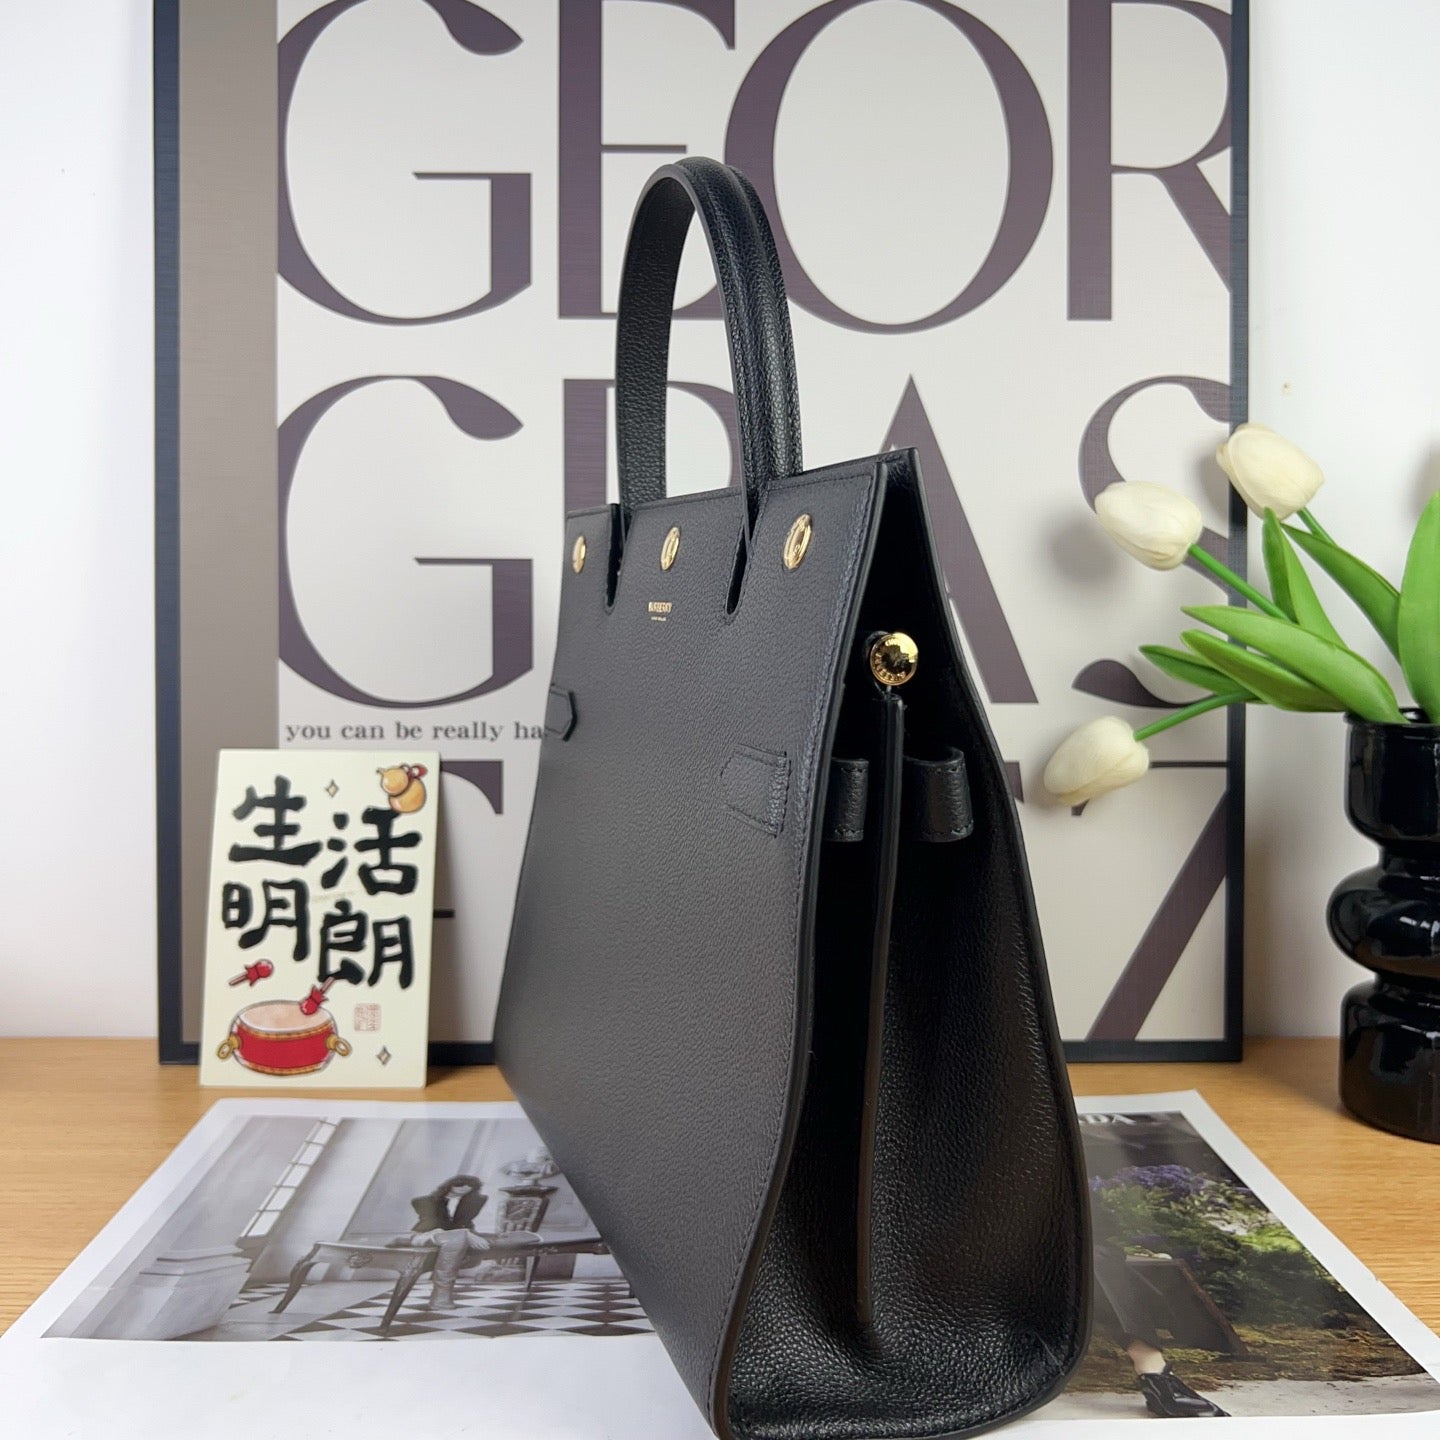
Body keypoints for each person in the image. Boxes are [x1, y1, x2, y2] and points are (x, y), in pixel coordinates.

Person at [405, 1174, 493, 1309]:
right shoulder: (425, 1201)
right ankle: (440, 1297)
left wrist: (467, 1232)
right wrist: (465, 1233)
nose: (464, 1189)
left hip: (455, 1237)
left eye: (469, 1188)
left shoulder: (471, 1202)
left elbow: (464, 1223)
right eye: (461, 1186)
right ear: (451, 1185)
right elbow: (435, 1224)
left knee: (477, 1239)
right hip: (428, 1234)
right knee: (454, 1237)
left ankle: (441, 1296)